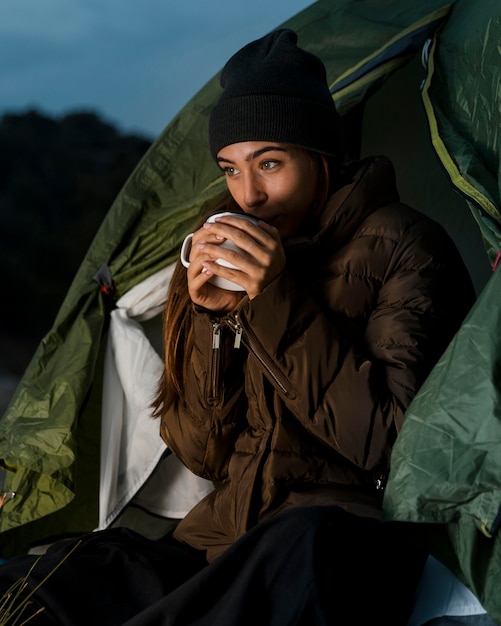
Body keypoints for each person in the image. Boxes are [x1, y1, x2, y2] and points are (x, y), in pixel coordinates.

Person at [0, 29, 476, 626]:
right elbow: (203, 454)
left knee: (306, 543)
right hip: (221, 538)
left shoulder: (408, 248)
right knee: (50, 575)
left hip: (341, 535)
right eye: (230, 169)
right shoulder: (226, 249)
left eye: (270, 164)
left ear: (322, 156)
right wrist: (210, 321)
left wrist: (274, 298)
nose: (248, 195)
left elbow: (386, 444)